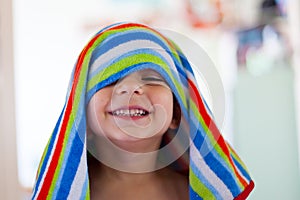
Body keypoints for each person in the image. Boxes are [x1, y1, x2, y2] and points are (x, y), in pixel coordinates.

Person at [31, 22, 254, 200]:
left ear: (176, 113)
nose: (129, 88)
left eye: (152, 78)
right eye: (110, 80)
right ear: (82, 118)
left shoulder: (189, 193)